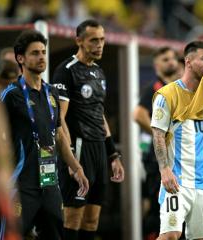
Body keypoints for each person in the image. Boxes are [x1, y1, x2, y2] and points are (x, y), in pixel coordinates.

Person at [0, 29, 89, 239]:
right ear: (20, 58)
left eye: (43, 52)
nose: (41, 57)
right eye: (35, 53)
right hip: (21, 185)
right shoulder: (10, 95)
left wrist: (76, 168)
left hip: (50, 183)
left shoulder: (52, 93)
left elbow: (58, 135)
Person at [51, 19, 125, 240]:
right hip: (79, 149)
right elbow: (59, 118)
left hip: (99, 152)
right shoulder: (66, 71)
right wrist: (71, 158)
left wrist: (113, 154)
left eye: (102, 40)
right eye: (94, 40)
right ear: (79, 41)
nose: (100, 44)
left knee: (92, 220)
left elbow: (99, 114)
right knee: (73, 217)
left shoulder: (99, 73)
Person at [151, 41, 203, 240]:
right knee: (170, 235)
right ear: (189, 62)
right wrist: (164, 169)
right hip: (177, 179)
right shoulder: (167, 94)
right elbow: (158, 135)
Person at [132, 46, 179, 238]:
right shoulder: (154, 88)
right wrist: (159, 134)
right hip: (156, 159)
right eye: (165, 59)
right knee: (158, 209)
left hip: (174, 158)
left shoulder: (176, 88)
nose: (171, 62)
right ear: (156, 65)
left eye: (172, 58)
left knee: (174, 211)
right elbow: (138, 114)